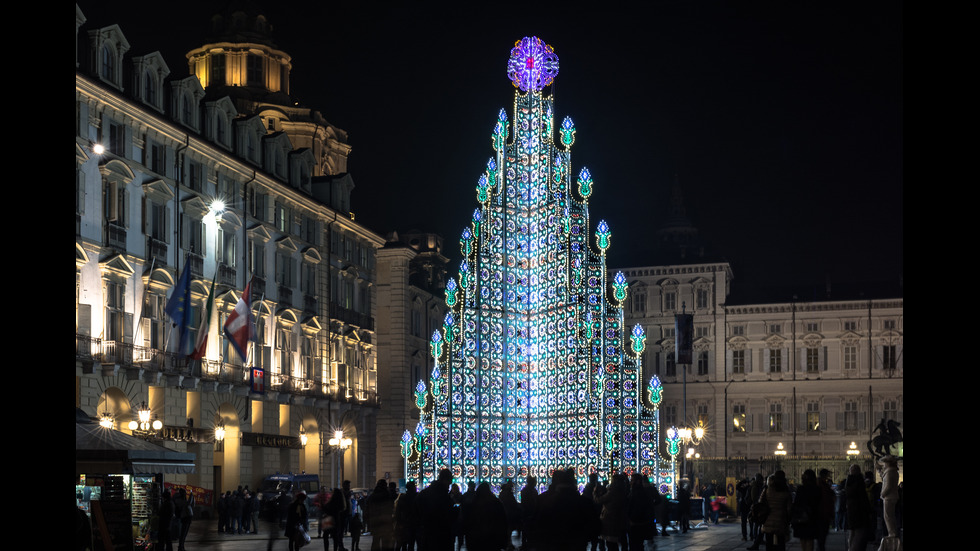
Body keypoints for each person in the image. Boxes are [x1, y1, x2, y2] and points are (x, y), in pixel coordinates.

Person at [463, 482, 509, 551]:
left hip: (476, 540)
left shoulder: (473, 503)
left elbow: (468, 523)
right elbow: (503, 522)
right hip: (493, 539)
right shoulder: (496, 503)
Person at [418, 469, 455, 551]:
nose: (449, 486)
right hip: (441, 536)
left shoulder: (425, 493)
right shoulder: (443, 496)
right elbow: (447, 515)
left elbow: (417, 511)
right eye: (449, 483)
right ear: (445, 480)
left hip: (427, 534)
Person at [595, 473, 629, 551]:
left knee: (611, 544)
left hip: (610, 520)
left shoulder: (613, 492)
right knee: (619, 542)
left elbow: (599, 500)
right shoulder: (624, 490)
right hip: (620, 520)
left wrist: (595, 493)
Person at [760, 471, 792, 551]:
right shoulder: (786, 491)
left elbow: (760, 502)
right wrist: (789, 520)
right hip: (781, 520)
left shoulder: (767, 490)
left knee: (769, 544)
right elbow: (789, 508)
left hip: (768, 519)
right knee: (781, 543)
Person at [791, 470, 820, 551]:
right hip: (812, 517)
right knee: (810, 539)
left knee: (803, 539)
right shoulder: (816, 489)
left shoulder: (801, 488)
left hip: (801, 517)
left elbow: (796, 503)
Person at [845, 464, 872, 551]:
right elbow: (863, 498)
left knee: (852, 532)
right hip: (860, 511)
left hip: (851, 510)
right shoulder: (859, 482)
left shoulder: (848, 482)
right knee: (859, 533)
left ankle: (850, 548)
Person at [626, 473, 654, 551]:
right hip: (640, 522)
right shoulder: (638, 491)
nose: (630, 482)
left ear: (637, 481)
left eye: (632, 480)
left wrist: (631, 518)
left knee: (635, 544)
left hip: (636, 523)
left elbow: (636, 507)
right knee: (638, 544)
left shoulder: (637, 492)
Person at [366, 479, 395, 551]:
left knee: (375, 541)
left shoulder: (372, 496)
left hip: (375, 522)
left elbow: (367, 510)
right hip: (386, 522)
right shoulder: (387, 495)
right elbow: (391, 508)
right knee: (386, 542)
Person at [394, 481, 421, 551]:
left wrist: (398, 522)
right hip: (415, 523)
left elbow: (398, 511)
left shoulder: (403, 498)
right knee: (414, 544)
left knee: (404, 543)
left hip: (405, 523)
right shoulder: (418, 497)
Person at [815, 470, 836, 551]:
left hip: (820, 513)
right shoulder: (823, 485)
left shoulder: (819, 484)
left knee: (820, 538)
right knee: (822, 537)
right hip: (822, 513)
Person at [519, 476, 539, 551]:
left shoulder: (527, 490)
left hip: (528, 512)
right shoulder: (531, 491)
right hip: (528, 512)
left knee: (527, 530)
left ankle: (527, 544)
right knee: (527, 529)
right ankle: (527, 544)